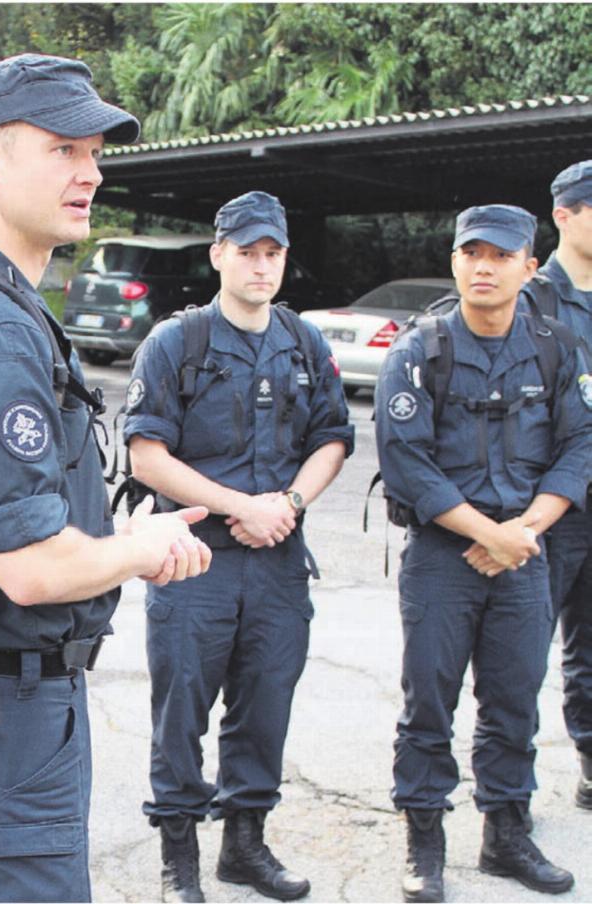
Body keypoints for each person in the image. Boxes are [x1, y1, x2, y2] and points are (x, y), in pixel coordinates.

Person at [0, 53, 212, 903]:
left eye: (95, 151)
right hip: (0, 718)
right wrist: (139, 544)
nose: (92, 170)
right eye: (64, 148)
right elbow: (29, 568)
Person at [123, 191, 354, 902]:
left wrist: (286, 504)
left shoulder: (304, 341)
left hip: (278, 559)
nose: (260, 266)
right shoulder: (177, 342)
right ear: (218, 253)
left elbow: (333, 438)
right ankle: (179, 860)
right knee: (181, 711)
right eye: (246, 252)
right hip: (195, 560)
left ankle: (245, 847)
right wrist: (239, 506)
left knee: (265, 705)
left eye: (272, 253)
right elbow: (145, 455)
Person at [376, 204, 591, 903]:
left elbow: (581, 446)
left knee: (514, 701)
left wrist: (522, 530)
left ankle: (506, 832)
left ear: (530, 268)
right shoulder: (420, 350)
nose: (484, 268)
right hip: (444, 558)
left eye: (500, 256)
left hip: (525, 552)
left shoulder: (557, 347)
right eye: (472, 254)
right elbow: (407, 464)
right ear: (455, 263)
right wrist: (487, 534)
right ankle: (424, 839)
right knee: (428, 703)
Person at [521, 160, 592, 811]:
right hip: (551, 504)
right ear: (564, 215)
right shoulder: (533, 298)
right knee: (523, 651)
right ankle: (510, 792)